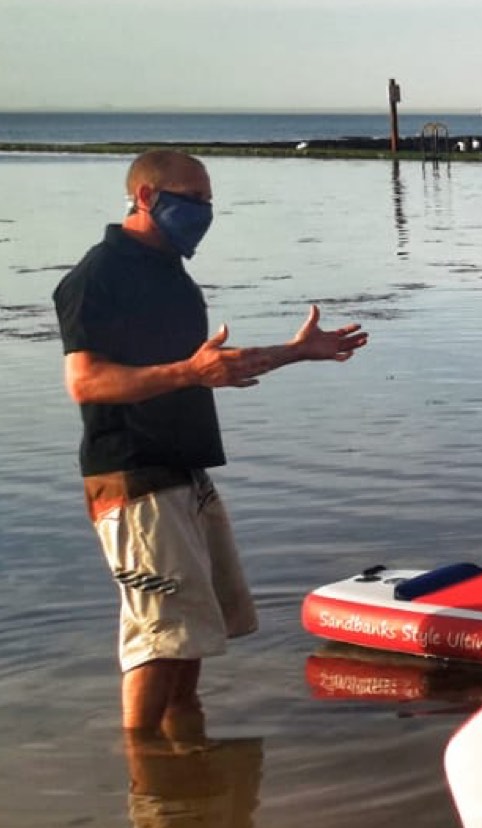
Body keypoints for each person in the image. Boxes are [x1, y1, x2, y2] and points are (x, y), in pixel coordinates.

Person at [55, 149, 369, 738]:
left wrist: (297, 351)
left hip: (184, 472)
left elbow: (212, 367)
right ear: (146, 197)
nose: (205, 211)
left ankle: (191, 765)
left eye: (208, 200)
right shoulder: (99, 275)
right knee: (159, 635)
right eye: (192, 199)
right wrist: (188, 374)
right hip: (132, 476)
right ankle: (148, 779)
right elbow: (86, 381)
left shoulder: (169, 271)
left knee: (192, 631)